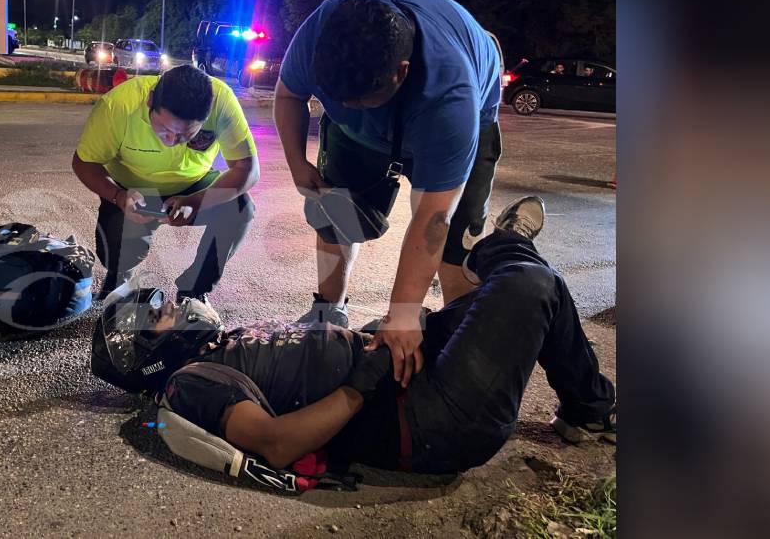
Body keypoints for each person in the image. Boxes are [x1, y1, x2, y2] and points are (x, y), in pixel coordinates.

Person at [92, 196, 616, 476]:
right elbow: (277, 445)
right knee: (530, 284)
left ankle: (589, 409)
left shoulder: (218, 346)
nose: (175, 301)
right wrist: (364, 376)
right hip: (426, 420)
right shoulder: (190, 383)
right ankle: (500, 248)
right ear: (147, 353)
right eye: (159, 311)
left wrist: (372, 335)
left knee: (530, 294)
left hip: (412, 372)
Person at [273, 0, 503, 386]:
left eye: (361, 101)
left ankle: (458, 343)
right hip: (355, 139)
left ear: (401, 71)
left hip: (454, 123)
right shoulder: (320, 32)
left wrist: (402, 311)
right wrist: (296, 162)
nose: (349, 108)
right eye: (337, 98)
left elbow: (432, 219)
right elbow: (289, 94)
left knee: (456, 249)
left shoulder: (450, 97)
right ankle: (328, 311)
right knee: (335, 214)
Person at [72, 65, 259, 302]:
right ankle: (120, 273)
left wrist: (198, 202)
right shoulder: (118, 106)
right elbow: (83, 163)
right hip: (131, 188)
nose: (172, 141)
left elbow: (247, 170)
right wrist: (119, 197)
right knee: (115, 255)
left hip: (195, 184)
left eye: (186, 135)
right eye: (165, 129)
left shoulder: (221, 101)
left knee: (240, 208)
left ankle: (194, 290)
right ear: (150, 101)